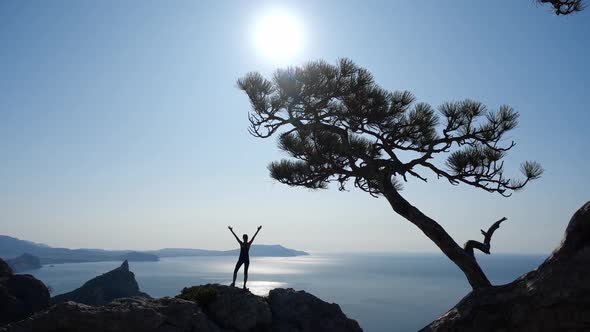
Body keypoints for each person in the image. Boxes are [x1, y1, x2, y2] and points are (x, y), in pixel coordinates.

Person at [228, 225, 262, 289]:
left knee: (236, 270)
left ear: (243, 238)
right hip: (246, 259)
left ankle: (234, 283)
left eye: (244, 238)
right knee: (245, 272)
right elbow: (254, 237)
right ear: (246, 238)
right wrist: (258, 230)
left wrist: (231, 231)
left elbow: (236, 237)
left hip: (241, 259)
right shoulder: (248, 244)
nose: (244, 239)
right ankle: (244, 285)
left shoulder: (242, 244)